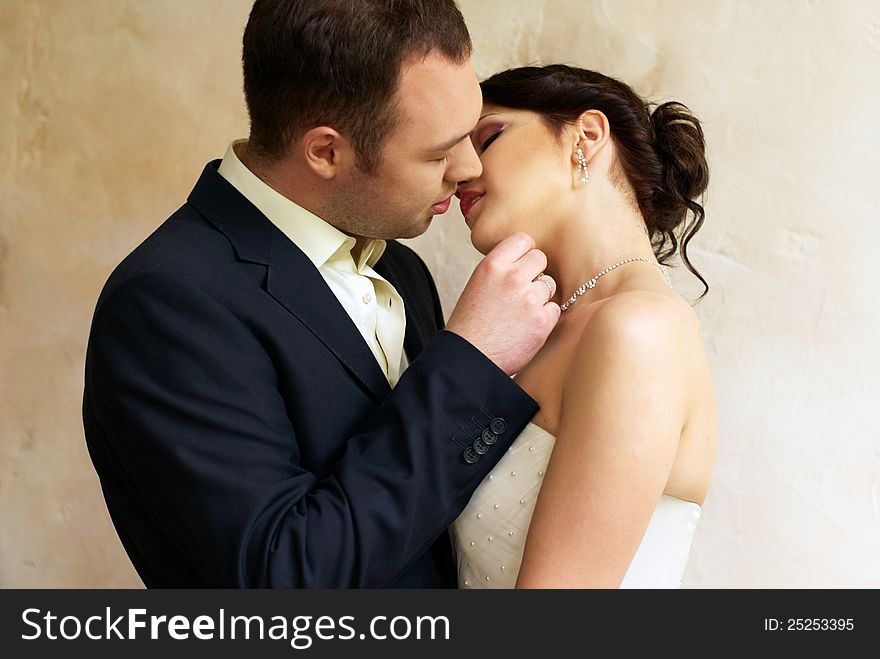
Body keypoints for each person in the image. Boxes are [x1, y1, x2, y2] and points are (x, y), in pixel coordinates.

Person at [81, 0, 560, 588]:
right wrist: (472, 363)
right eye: (437, 151)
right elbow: (289, 575)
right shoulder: (166, 303)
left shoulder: (403, 271)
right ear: (326, 151)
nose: (467, 168)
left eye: (470, 134)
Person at [450, 65, 717, 588]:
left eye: (487, 137)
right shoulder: (535, 333)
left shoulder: (642, 332)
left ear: (586, 136)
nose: (461, 168)